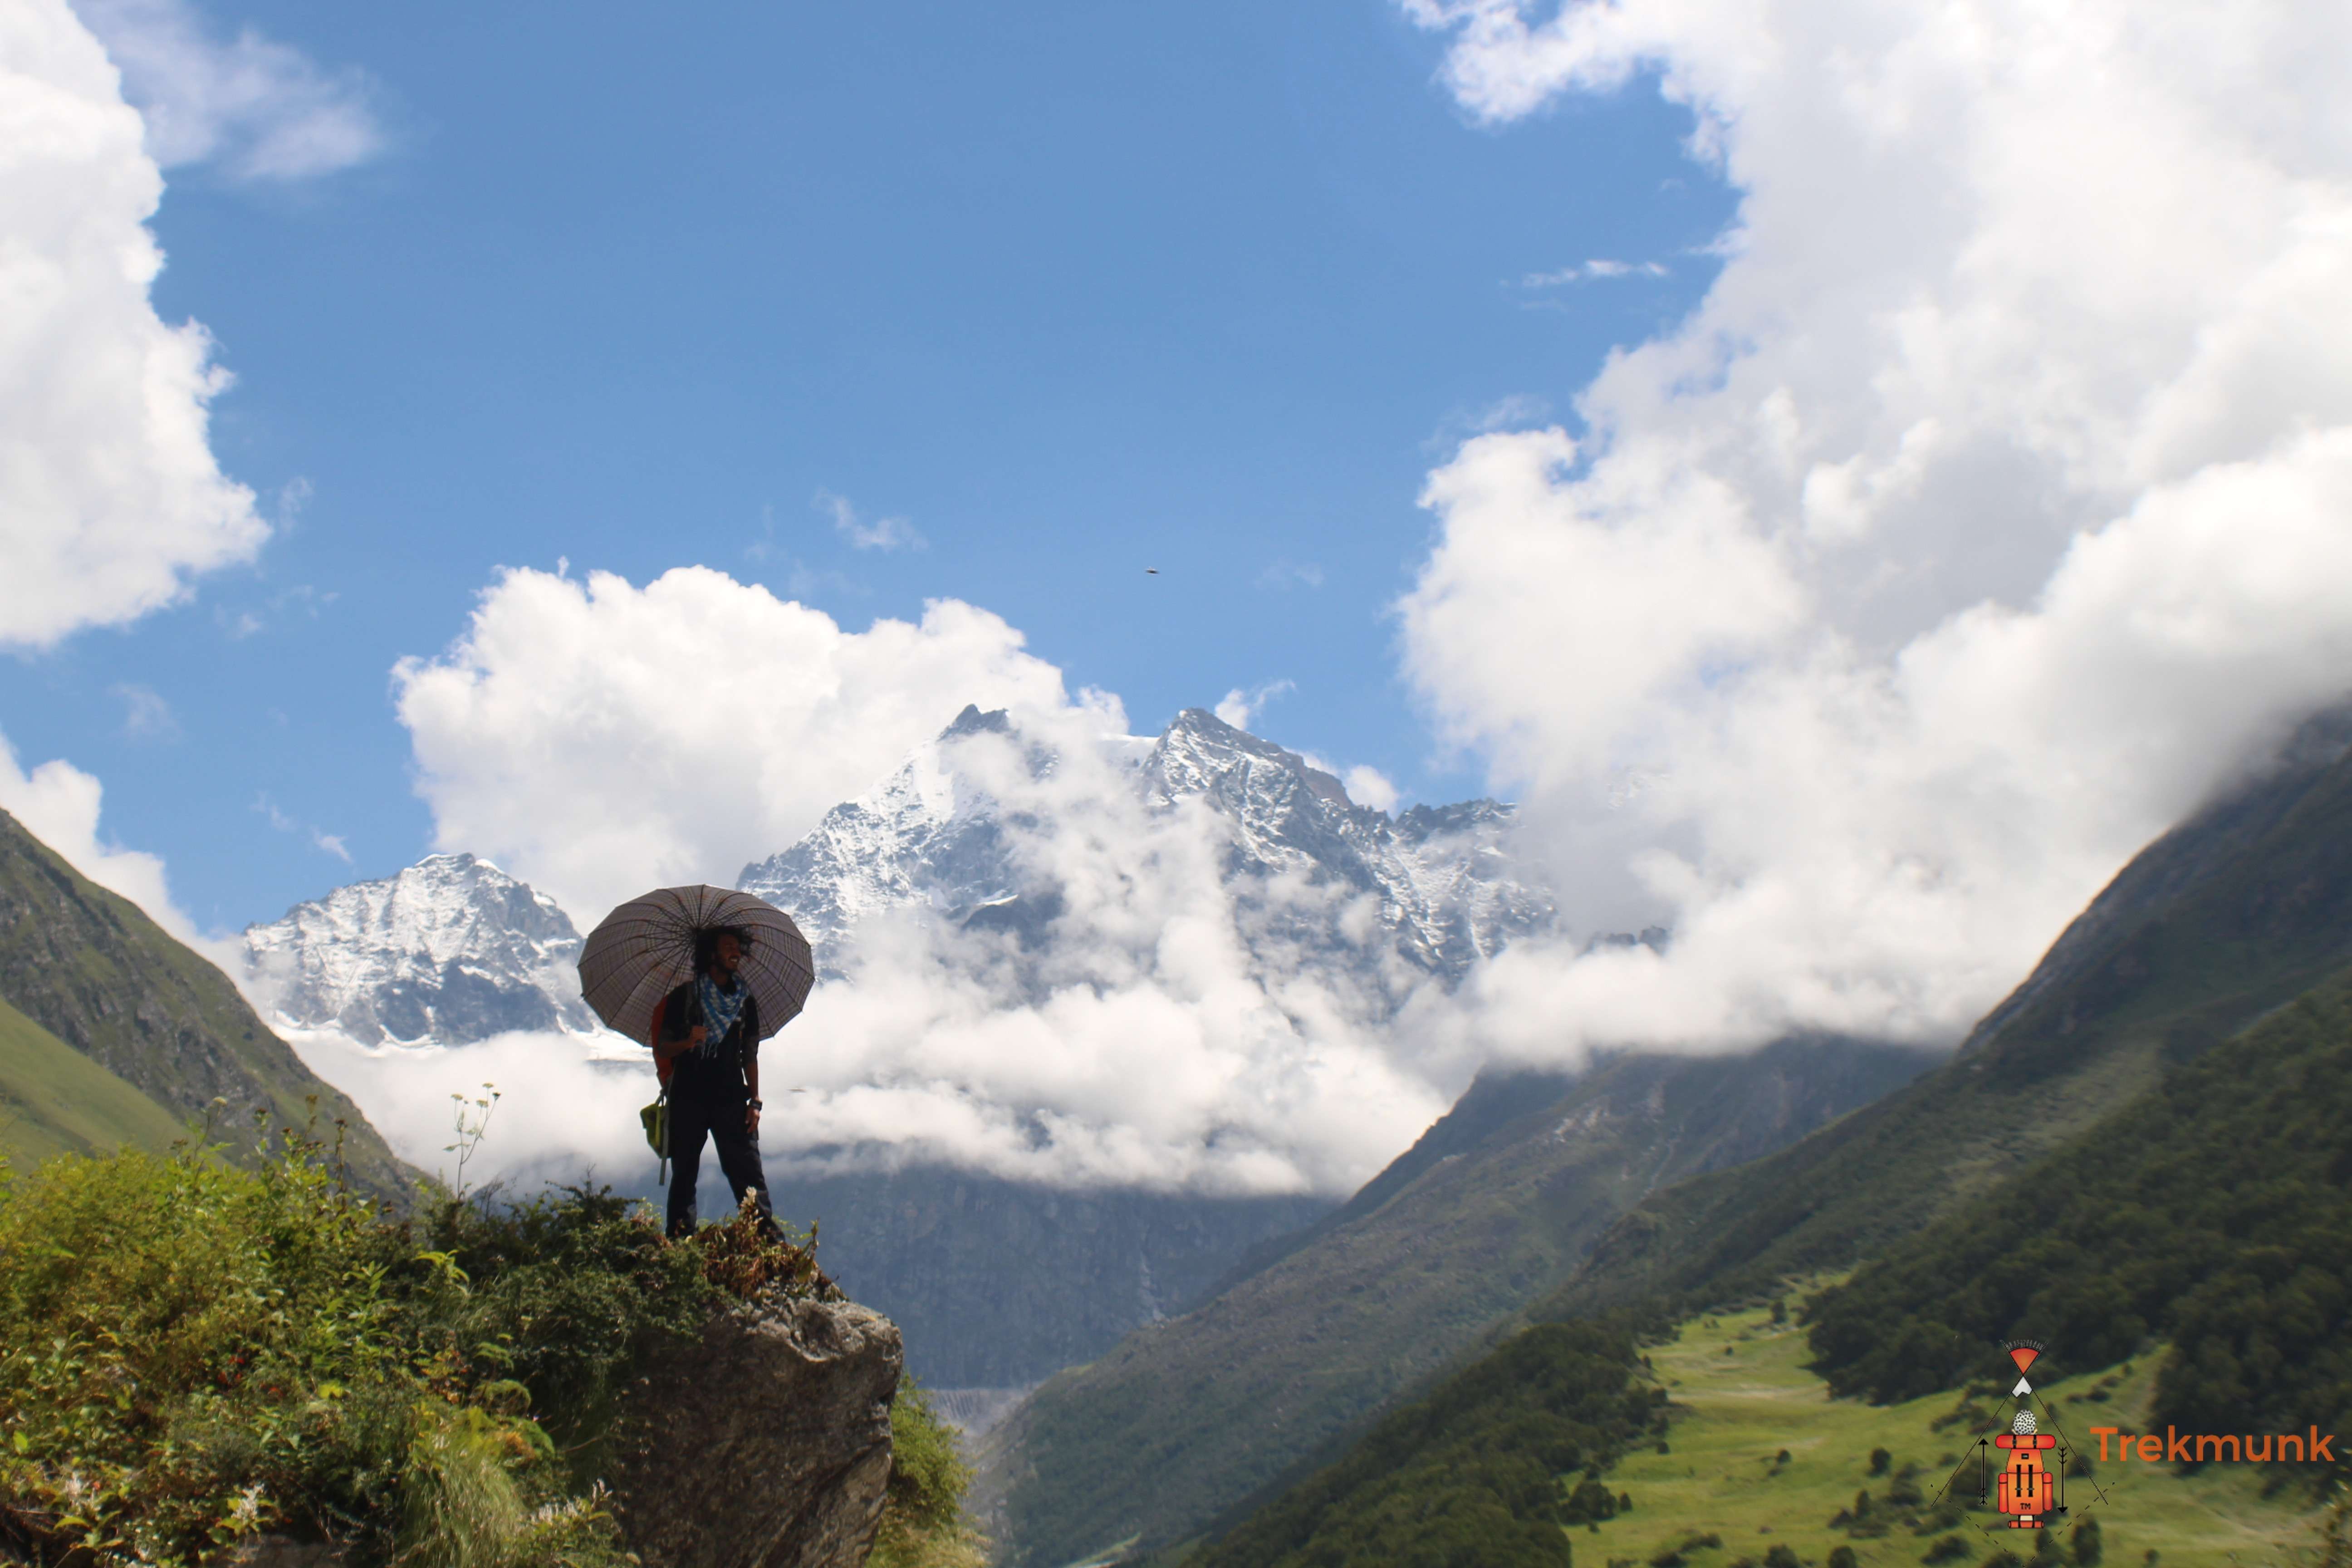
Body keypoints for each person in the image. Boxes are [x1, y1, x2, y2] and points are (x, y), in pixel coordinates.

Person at [651, 926, 778, 1239]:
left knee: (748, 1173)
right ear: (711, 955)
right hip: (688, 1097)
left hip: (732, 1097)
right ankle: (680, 1242)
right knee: (685, 1175)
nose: (735, 952)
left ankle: (767, 1242)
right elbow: (662, 1047)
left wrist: (756, 1102)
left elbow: (750, 1053)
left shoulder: (744, 1001)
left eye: (737, 947)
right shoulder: (683, 998)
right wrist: (688, 1042)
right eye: (728, 946)